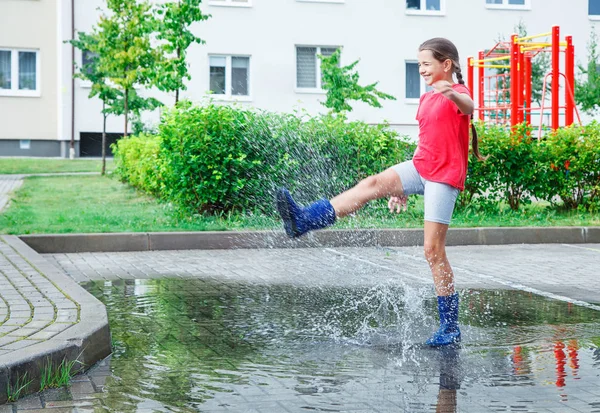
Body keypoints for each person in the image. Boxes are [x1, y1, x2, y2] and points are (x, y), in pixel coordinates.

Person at [276, 37, 486, 347]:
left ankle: (450, 327)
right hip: (421, 165)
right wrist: (403, 187)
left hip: (445, 176)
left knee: (432, 250)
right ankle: (303, 221)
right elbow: (427, 140)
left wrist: (451, 94)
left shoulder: (458, 93)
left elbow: (469, 107)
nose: (423, 70)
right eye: (419, 65)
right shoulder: (427, 98)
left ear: (447, 64)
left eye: (427, 64)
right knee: (371, 183)